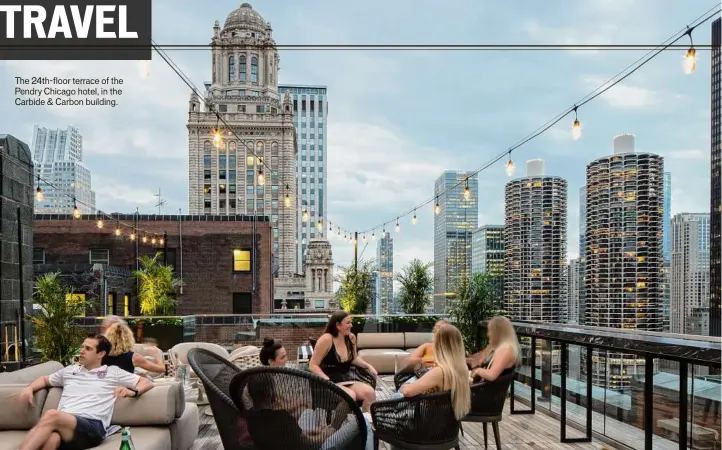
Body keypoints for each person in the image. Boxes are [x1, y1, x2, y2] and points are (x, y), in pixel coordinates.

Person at [16, 335, 154, 450]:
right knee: (52, 439)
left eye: (88, 348)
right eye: (82, 347)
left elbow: (147, 382)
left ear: (101, 354)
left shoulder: (113, 372)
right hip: (66, 426)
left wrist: (133, 392)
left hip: (93, 426)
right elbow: (45, 380)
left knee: (52, 415)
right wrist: (29, 388)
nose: (82, 351)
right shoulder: (69, 371)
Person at [395, 325, 471, 421]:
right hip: (445, 423)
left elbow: (408, 392)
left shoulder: (440, 372)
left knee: (396, 397)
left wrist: (403, 387)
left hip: (426, 423)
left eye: (434, 342)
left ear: (440, 346)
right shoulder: (462, 368)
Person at [309, 311, 377, 412]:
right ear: (338, 325)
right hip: (327, 382)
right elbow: (312, 365)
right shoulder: (327, 339)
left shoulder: (351, 337)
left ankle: (364, 423)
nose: (351, 325)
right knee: (350, 396)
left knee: (369, 392)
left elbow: (354, 358)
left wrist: (368, 366)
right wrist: (327, 380)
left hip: (346, 379)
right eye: (348, 323)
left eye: (351, 322)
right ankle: (338, 425)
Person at [469, 316, 520, 382]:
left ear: (497, 332)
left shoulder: (506, 349)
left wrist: (478, 371)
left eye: (490, 331)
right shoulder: (502, 347)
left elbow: (491, 375)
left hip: (488, 390)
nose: (488, 334)